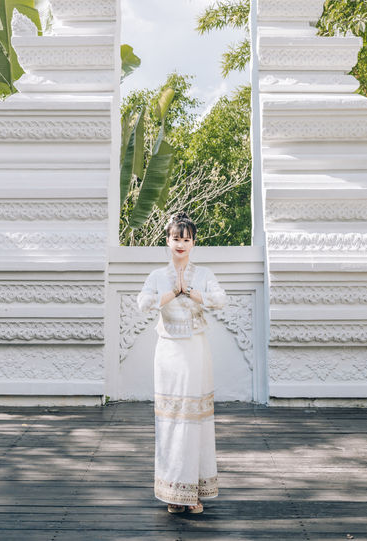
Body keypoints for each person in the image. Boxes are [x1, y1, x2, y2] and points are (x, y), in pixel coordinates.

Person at [136, 210, 226, 514]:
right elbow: (143, 303)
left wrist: (193, 293)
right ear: (167, 240)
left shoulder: (204, 274)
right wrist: (172, 292)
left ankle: (194, 492)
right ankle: (174, 493)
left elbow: (221, 299)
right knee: (172, 422)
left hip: (197, 352)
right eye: (176, 238)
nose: (181, 244)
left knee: (196, 423)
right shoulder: (157, 276)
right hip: (170, 354)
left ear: (193, 242)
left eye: (186, 239)